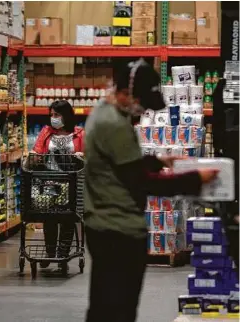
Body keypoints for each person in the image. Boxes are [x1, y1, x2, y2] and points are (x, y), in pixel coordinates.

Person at [83, 59, 219, 322]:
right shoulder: (113, 124)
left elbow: (120, 166)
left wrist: (160, 160)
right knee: (118, 309)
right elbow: (143, 182)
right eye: (142, 102)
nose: (143, 110)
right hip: (117, 230)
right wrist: (196, 179)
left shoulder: (105, 112)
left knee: (104, 306)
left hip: (105, 226)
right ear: (126, 93)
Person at [30, 100, 84, 268]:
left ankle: (62, 255)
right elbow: (37, 149)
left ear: (66, 116)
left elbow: (90, 156)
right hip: (49, 179)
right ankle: (50, 252)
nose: (53, 118)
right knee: (49, 216)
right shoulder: (47, 132)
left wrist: (82, 155)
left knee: (67, 217)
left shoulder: (80, 134)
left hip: (71, 181)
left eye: (57, 115)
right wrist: (33, 155)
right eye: (51, 115)